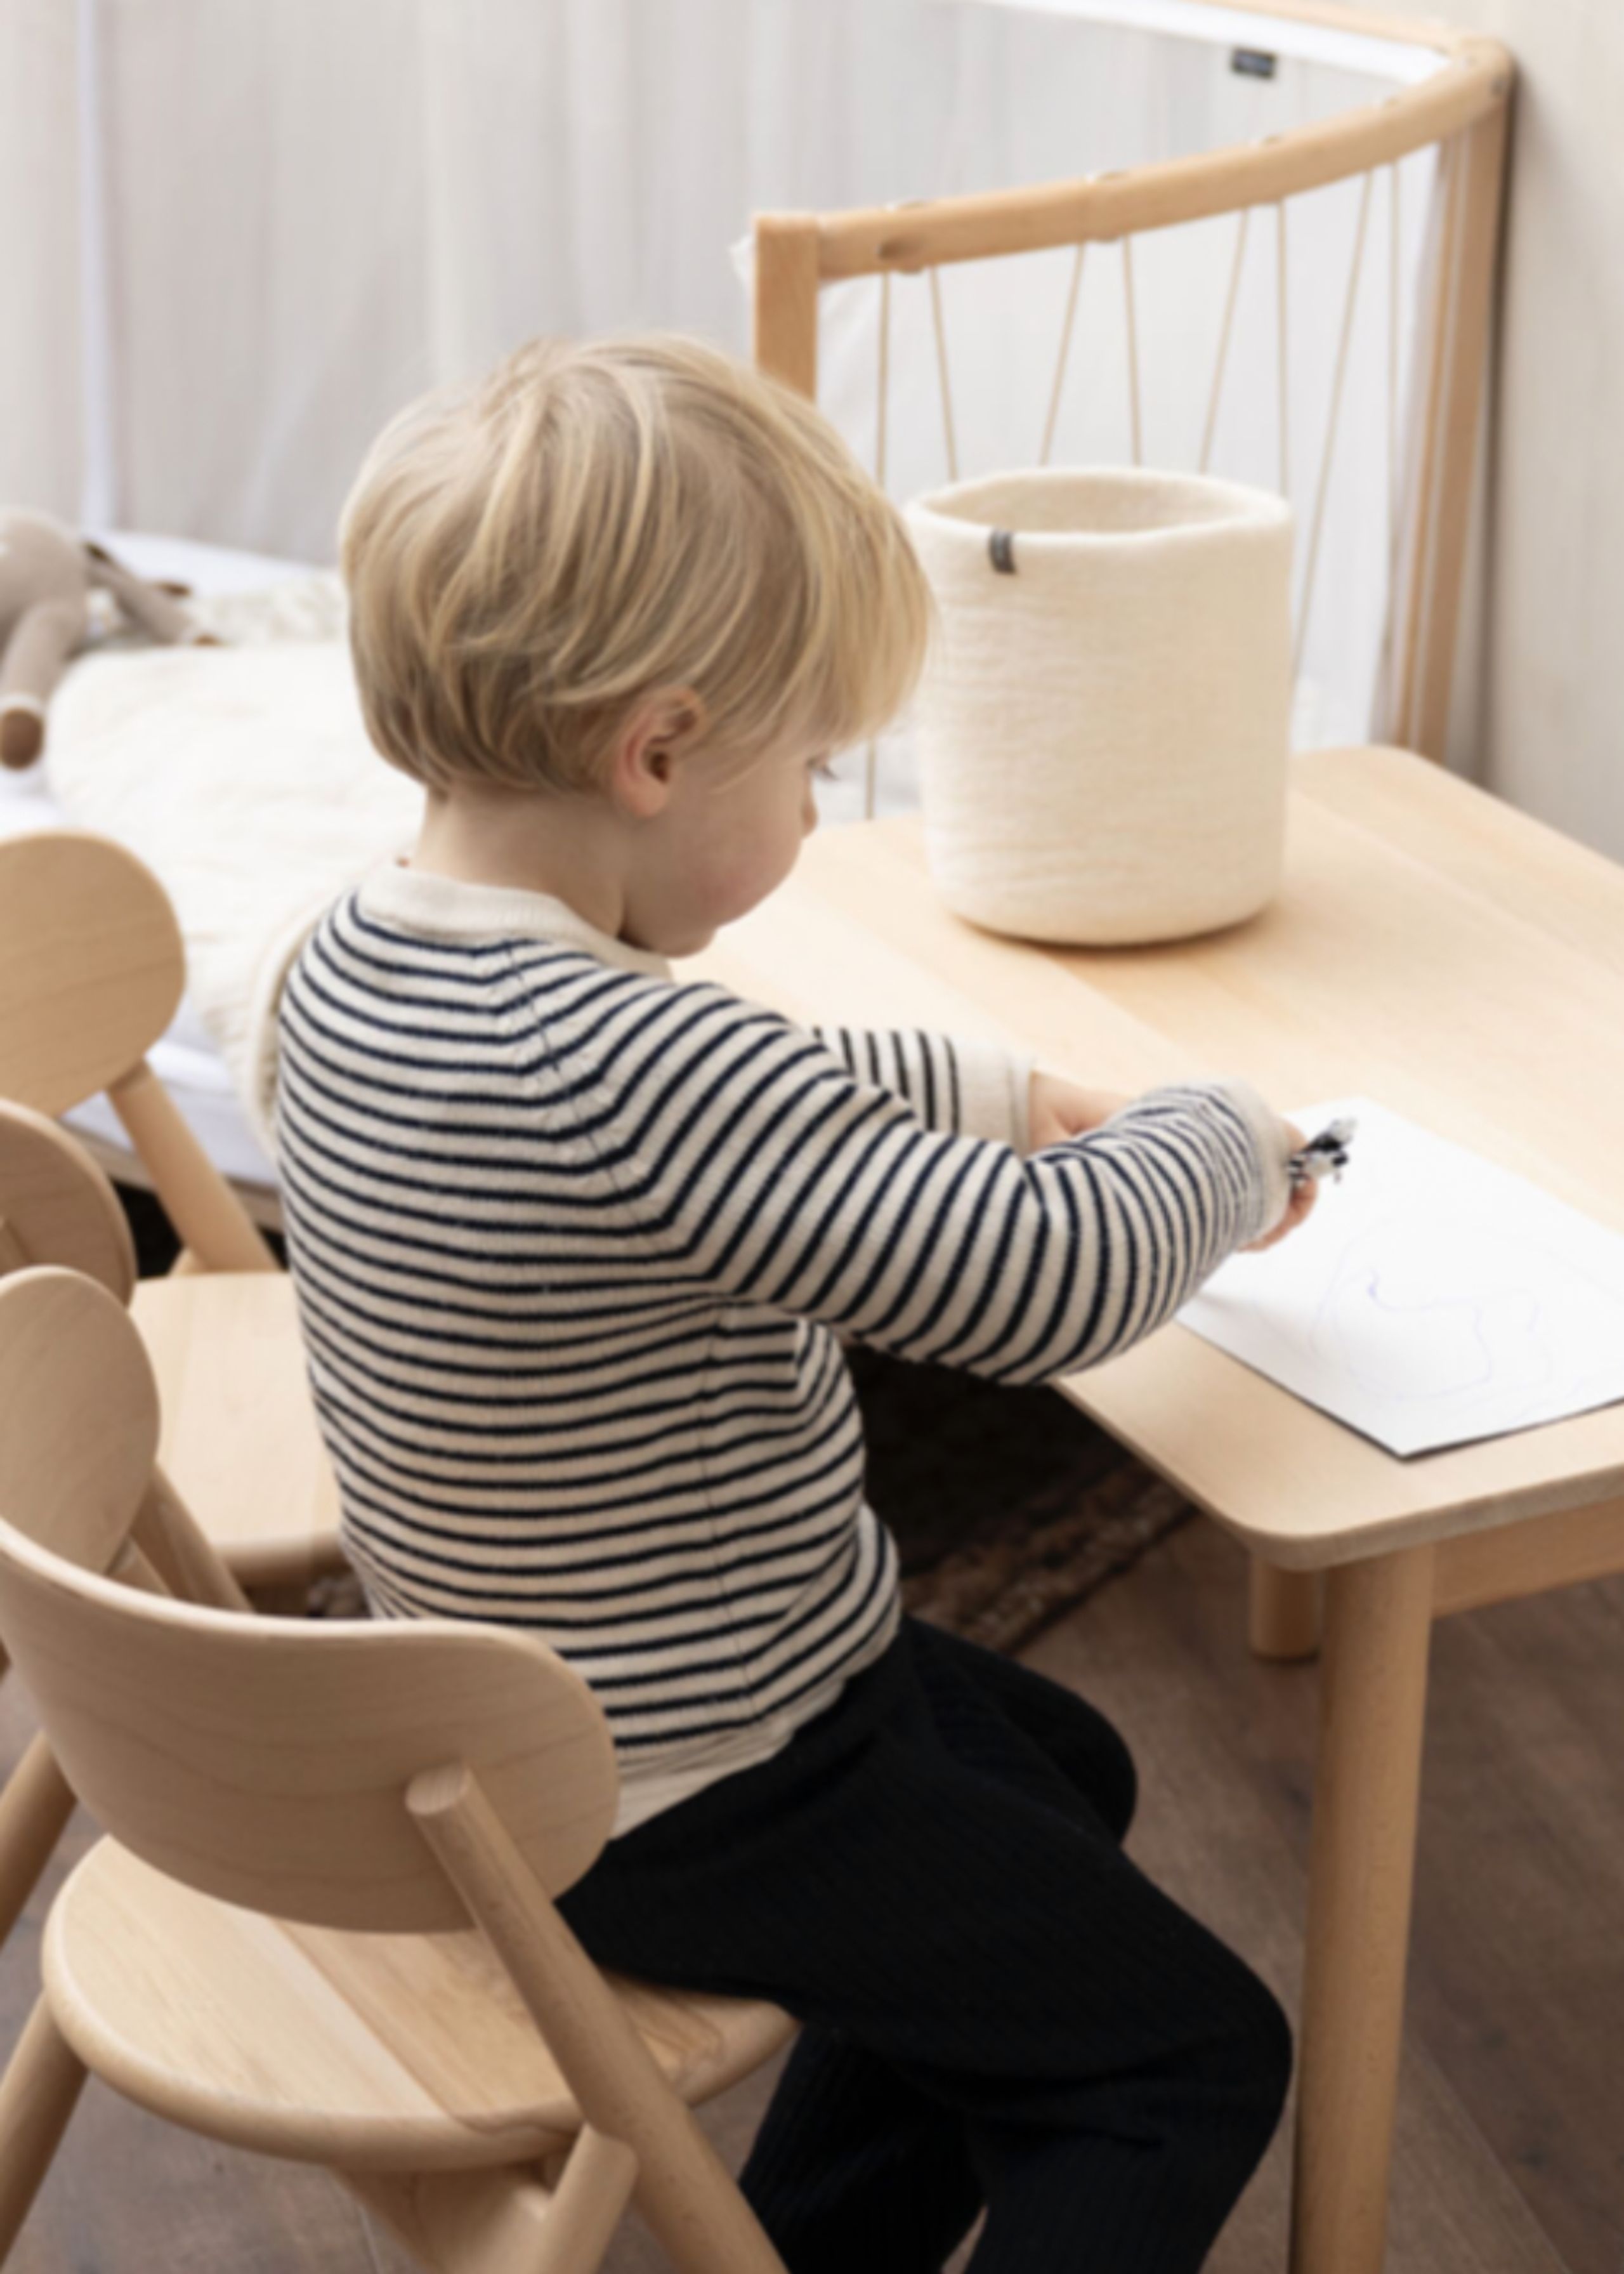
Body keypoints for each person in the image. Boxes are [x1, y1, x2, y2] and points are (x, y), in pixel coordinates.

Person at [275, 334, 1316, 2272]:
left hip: (512, 1727)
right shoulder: (629, 1067)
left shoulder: (350, 964)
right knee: (1186, 2061)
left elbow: (730, 1113)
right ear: (658, 753)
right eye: (812, 766)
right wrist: (1221, 1142)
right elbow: (1043, 1281)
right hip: (698, 1776)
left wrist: (998, 1093)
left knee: (1067, 1771)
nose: (821, 815)